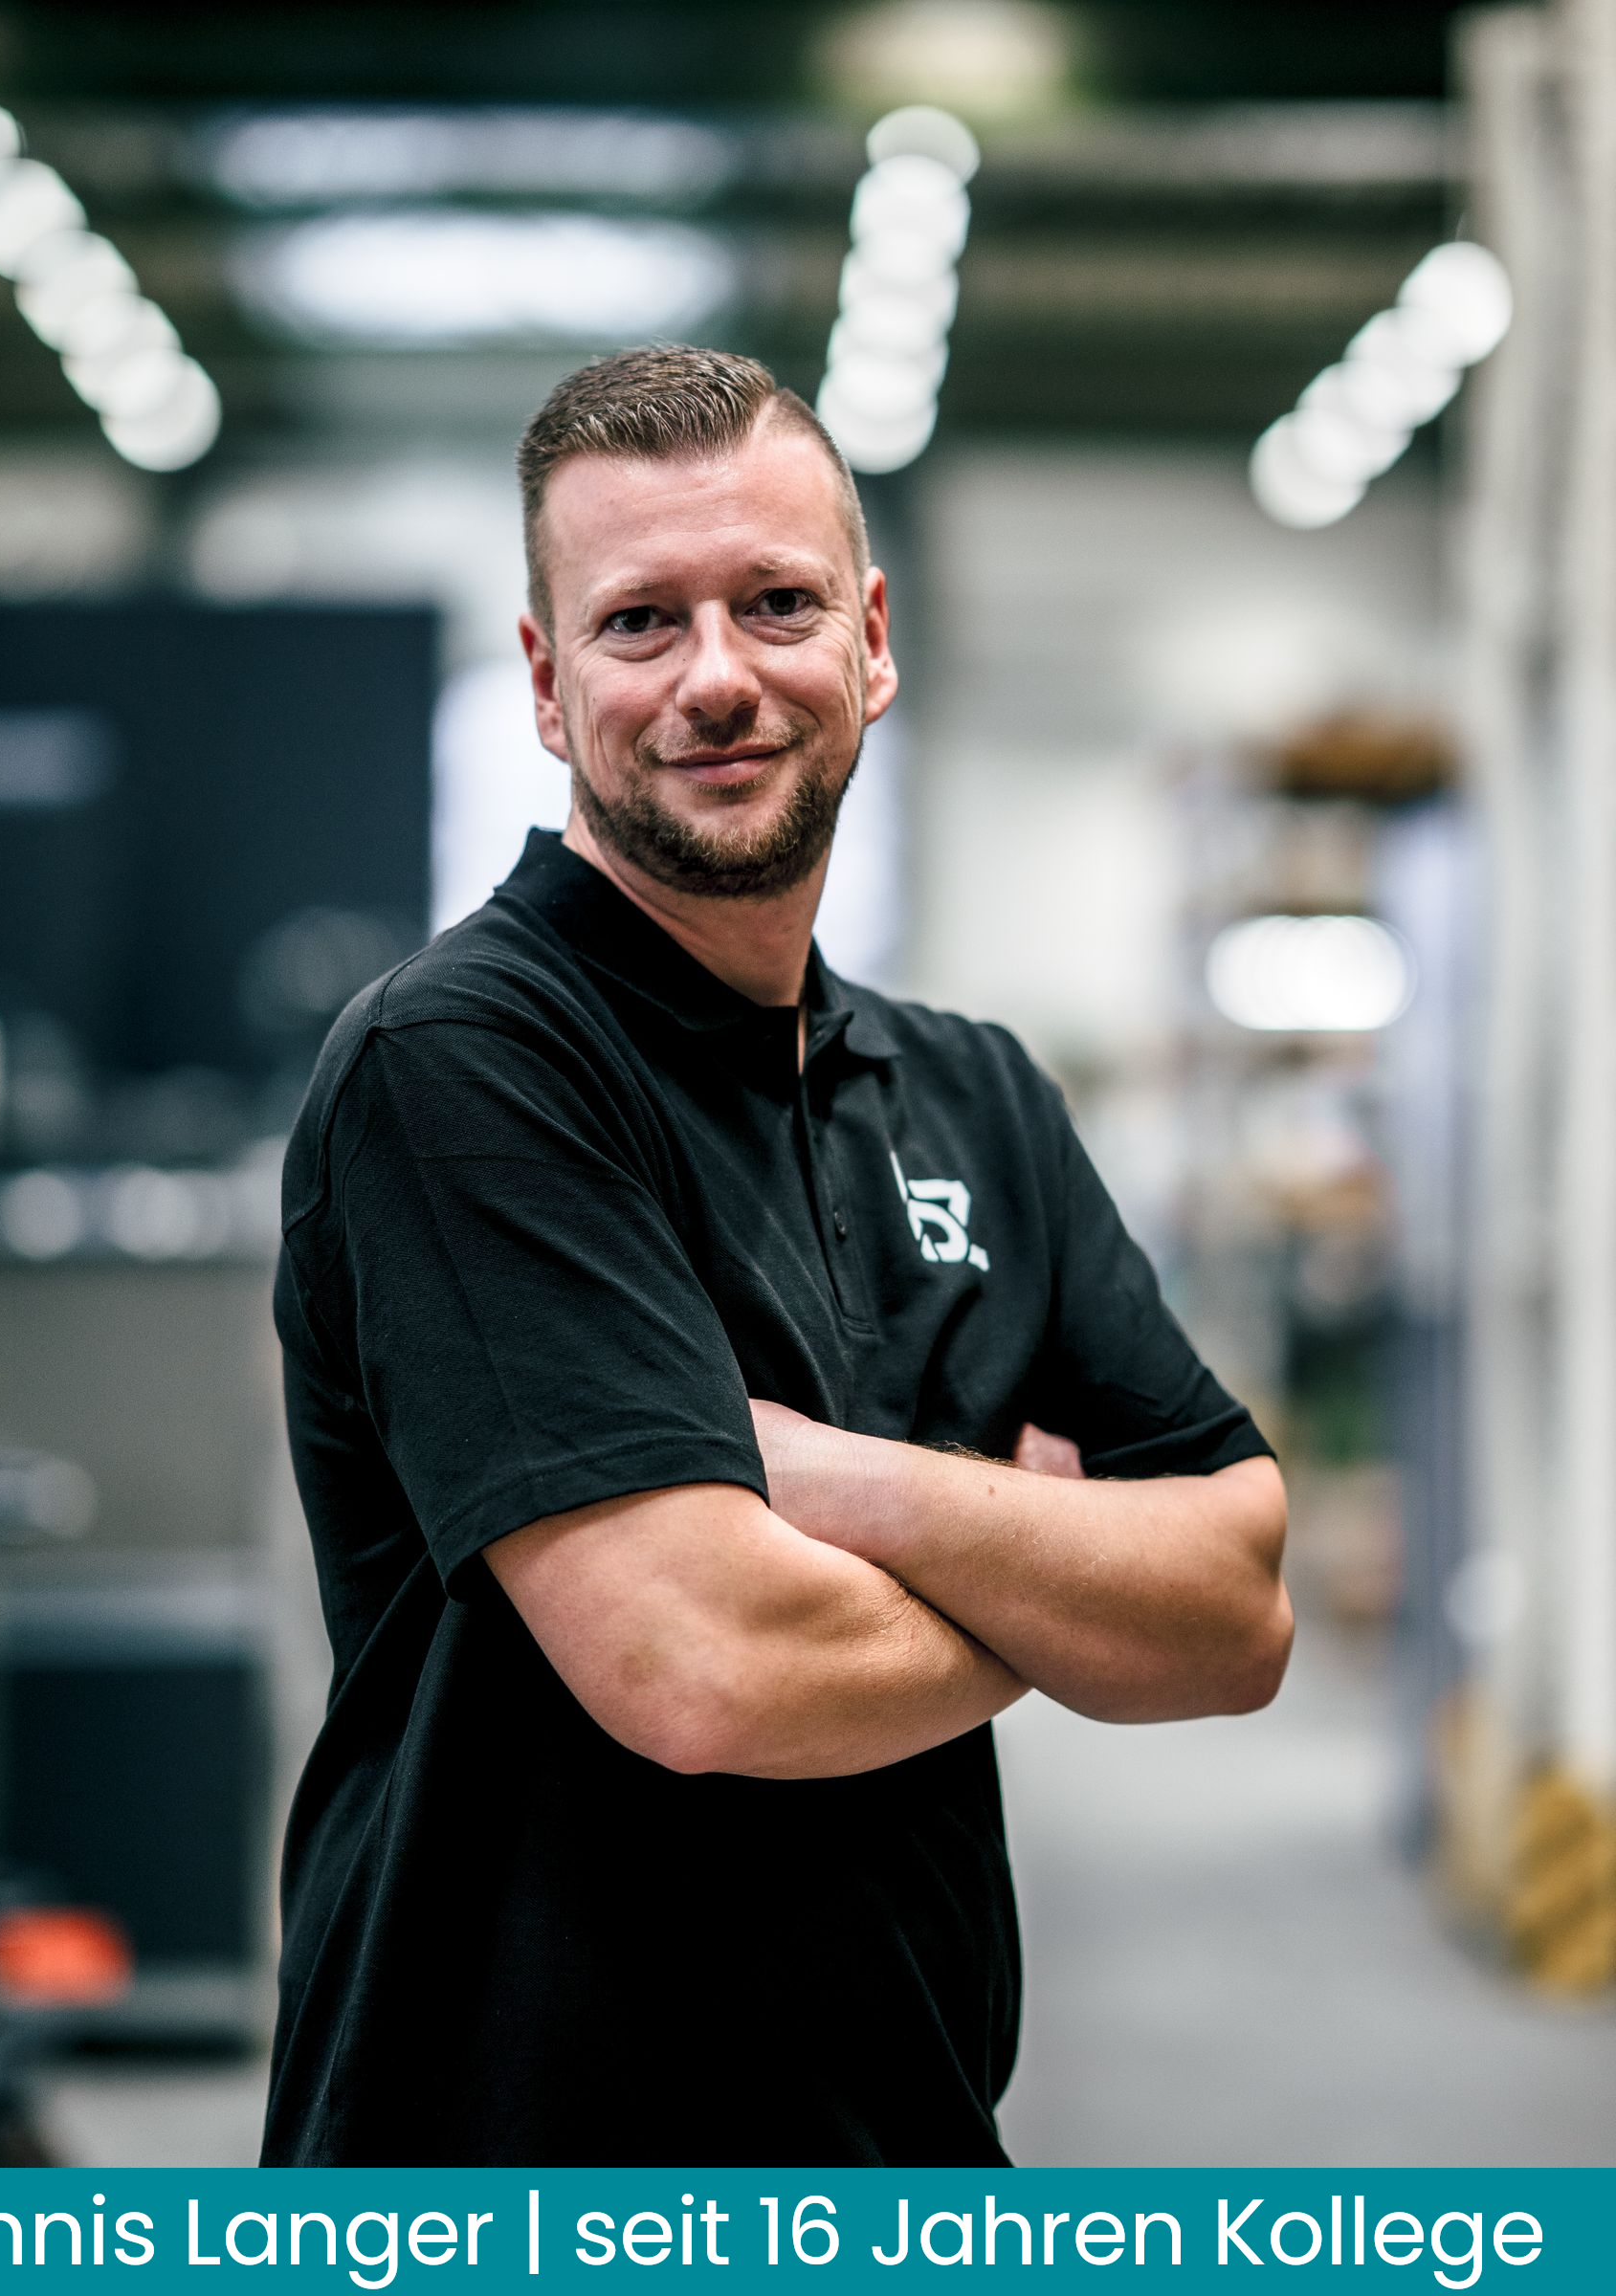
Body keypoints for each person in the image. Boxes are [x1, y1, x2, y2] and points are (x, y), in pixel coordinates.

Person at [260, 344, 1290, 2170]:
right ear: (545, 682)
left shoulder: (970, 1093)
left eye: (777, 603)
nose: (717, 677)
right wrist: (1049, 1577)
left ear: (872, 640)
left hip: (903, 2151)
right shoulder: (468, 1065)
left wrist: (829, 1484)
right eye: (640, 622)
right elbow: (706, 1667)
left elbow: (1235, 1612)